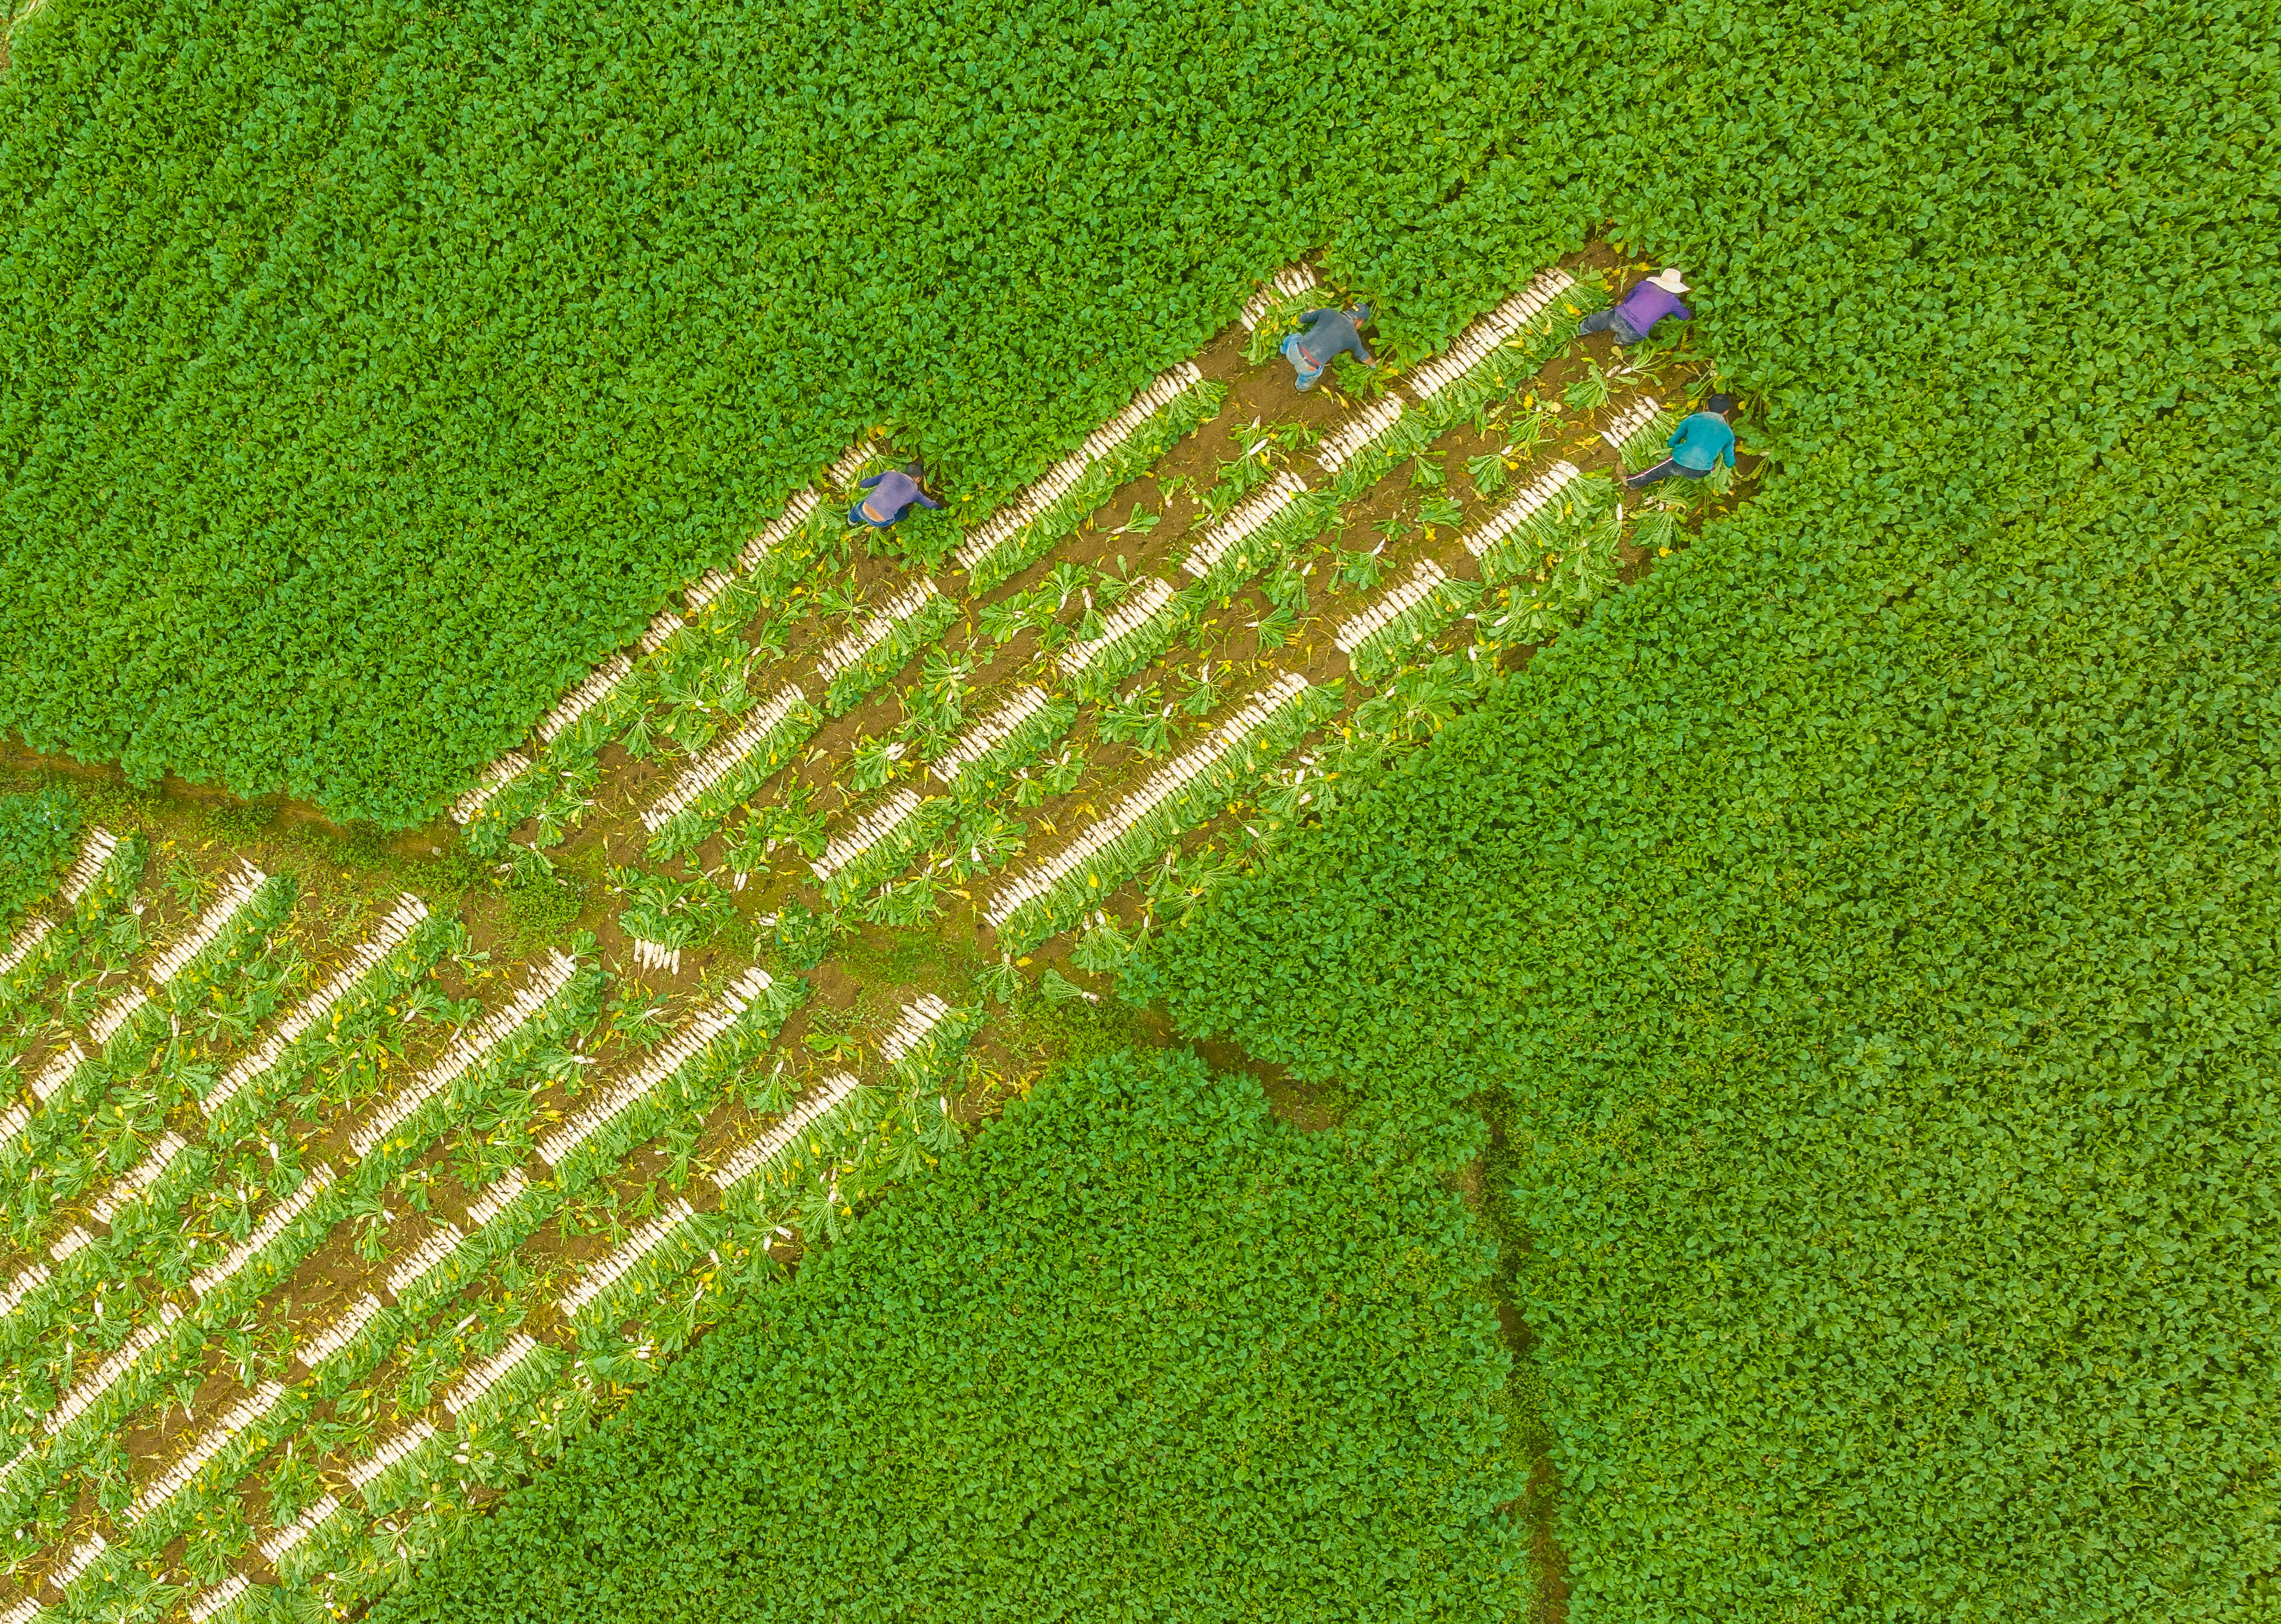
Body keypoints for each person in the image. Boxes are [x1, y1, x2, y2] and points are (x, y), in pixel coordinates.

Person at [1626, 394, 1738, 488]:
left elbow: (1672, 443)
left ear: (1707, 406)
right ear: (1726, 412)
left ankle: (1631, 482)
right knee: (1709, 463)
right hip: (1701, 472)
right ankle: (1691, 474)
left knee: (1654, 473)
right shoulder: (1729, 434)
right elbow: (1729, 463)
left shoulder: (1693, 419)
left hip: (1679, 463)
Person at [1578, 268, 1693, 348]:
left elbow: (1630, 297)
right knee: (1628, 339)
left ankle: (1583, 329)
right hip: (1636, 331)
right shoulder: (1673, 301)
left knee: (1600, 319)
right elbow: (1684, 316)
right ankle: (1619, 341)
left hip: (1619, 317)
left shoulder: (1645, 285)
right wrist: (1691, 317)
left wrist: (1624, 307)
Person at [1282, 304, 1375, 392]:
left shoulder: (1329, 312)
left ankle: (1283, 350)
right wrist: (1374, 365)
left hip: (1294, 350)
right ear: (1360, 322)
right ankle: (1301, 388)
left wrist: (1312, 312)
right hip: (1309, 367)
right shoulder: (1353, 337)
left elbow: (1303, 319)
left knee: (1295, 337)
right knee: (1307, 380)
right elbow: (1363, 356)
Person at [848, 461, 944, 528]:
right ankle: (901, 516)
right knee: (904, 514)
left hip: (863, 510)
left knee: (856, 512)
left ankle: (851, 522)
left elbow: (865, 484)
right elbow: (931, 505)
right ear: (918, 479)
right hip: (879, 522)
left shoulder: (890, 474)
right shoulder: (914, 492)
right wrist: (944, 511)